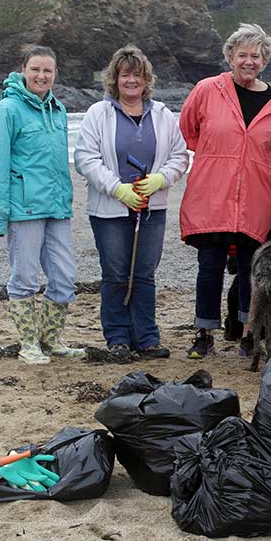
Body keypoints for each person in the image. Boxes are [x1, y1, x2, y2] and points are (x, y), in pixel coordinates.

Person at [179, 23, 271, 359]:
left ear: (264, 60)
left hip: (256, 196)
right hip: (211, 193)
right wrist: (220, 160)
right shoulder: (206, 89)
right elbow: (188, 130)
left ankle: (249, 334)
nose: (248, 61)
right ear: (230, 56)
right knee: (209, 266)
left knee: (249, 270)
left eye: (255, 55)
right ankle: (204, 333)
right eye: (242, 54)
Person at [74, 45, 188, 359]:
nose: (131, 81)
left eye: (137, 75)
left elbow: (180, 156)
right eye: (126, 75)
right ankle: (118, 337)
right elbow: (85, 158)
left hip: (152, 208)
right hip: (109, 209)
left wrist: (161, 179)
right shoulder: (98, 113)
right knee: (115, 273)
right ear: (115, 79)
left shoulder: (163, 115)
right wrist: (118, 189)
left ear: (146, 79)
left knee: (144, 273)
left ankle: (147, 338)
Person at [0, 44, 85, 365]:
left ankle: (51, 339)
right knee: (25, 277)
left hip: (57, 207)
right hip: (23, 209)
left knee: (65, 277)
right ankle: (29, 344)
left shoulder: (59, 110)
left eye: (48, 70)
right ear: (23, 71)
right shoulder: (7, 111)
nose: (42, 76)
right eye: (36, 69)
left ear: (55, 74)